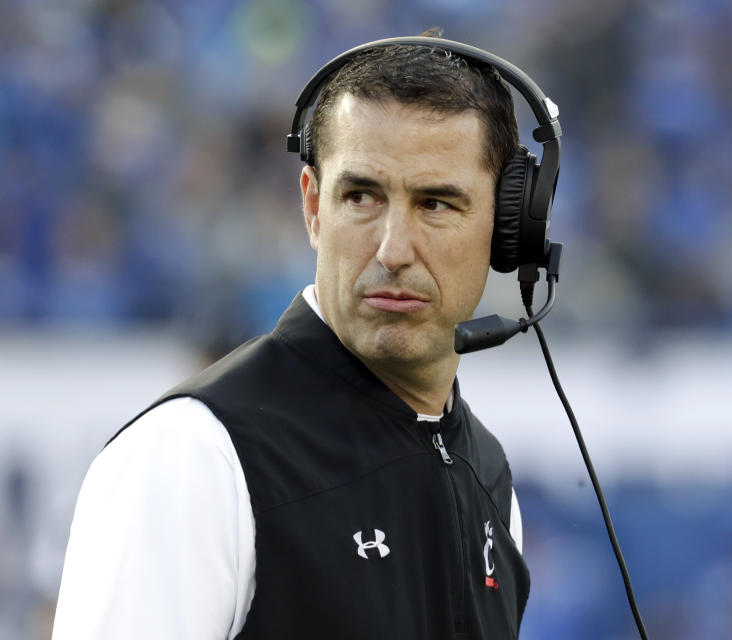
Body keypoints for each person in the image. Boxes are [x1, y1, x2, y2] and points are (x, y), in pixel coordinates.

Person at [53, 32, 537, 639]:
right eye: (361, 196)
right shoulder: (193, 455)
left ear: (507, 226)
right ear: (312, 207)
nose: (392, 249)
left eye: (436, 204)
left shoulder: (489, 475)